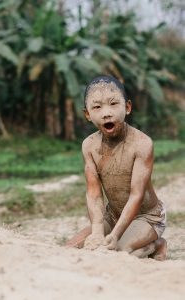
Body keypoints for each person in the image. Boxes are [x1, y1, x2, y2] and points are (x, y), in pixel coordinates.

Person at [66, 75, 167, 260]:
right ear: (87, 114)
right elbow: (93, 193)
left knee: (117, 251)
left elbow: (136, 195)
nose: (106, 113)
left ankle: (156, 244)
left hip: (146, 217)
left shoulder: (142, 143)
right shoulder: (89, 145)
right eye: (97, 107)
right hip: (113, 216)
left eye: (113, 104)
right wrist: (97, 231)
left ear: (127, 107)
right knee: (72, 246)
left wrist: (114, 235)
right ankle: (116, 236)